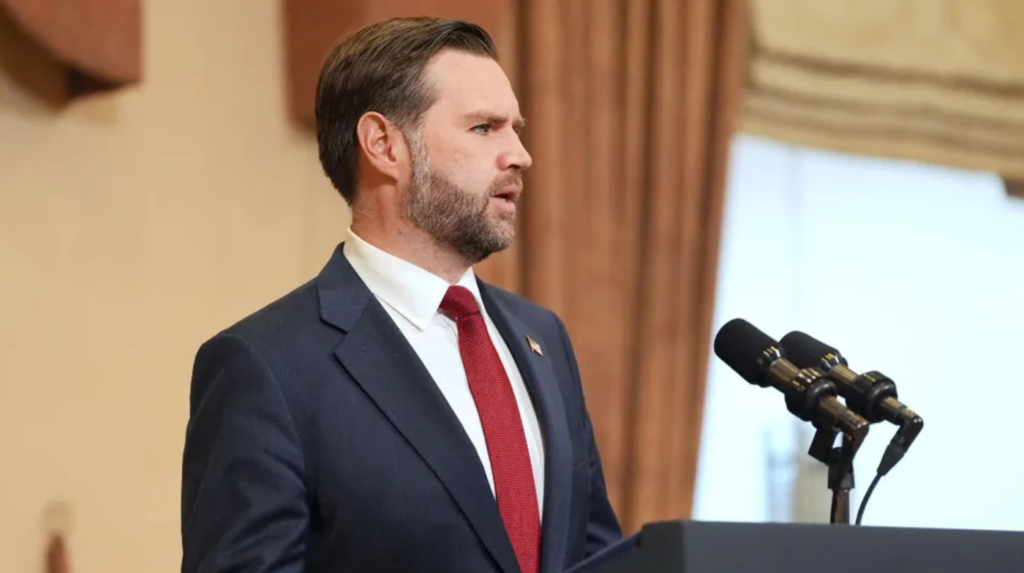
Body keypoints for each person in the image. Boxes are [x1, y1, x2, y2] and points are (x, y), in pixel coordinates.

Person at [179, 16, 621, 573]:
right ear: (384, 145)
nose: (520, 154)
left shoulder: (544, 338)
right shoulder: (267, 367)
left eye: (516, 127)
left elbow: (597, 553)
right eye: (484, 128)